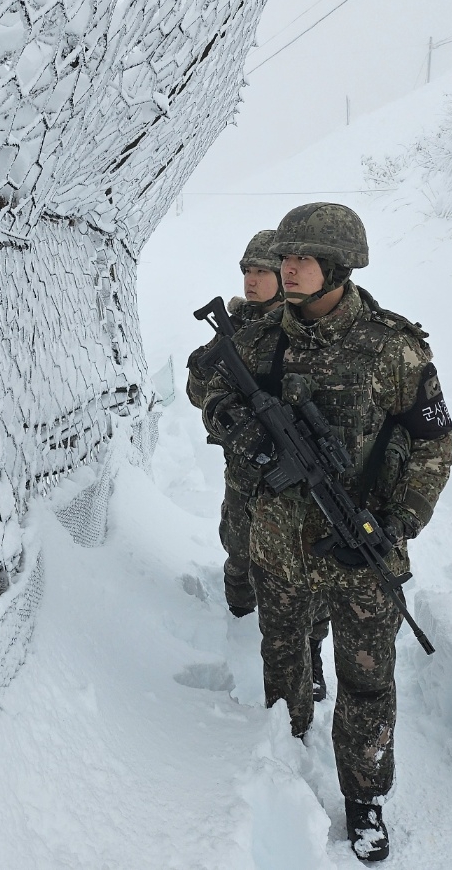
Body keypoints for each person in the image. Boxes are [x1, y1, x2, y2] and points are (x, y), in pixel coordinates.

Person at [198, 203, 452, 862]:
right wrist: (236, 420)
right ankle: (282, 766)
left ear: (338, 266)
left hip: (362, 549)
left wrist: (398, 523)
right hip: (280, 547)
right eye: (283, 257)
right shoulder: (259, 337)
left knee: (368, 683)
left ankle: (365, 801)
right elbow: (204, 382)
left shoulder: (392, 347)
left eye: (300, 258)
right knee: (283, 666)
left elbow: (433, 445)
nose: (286, 268)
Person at [186, 229, 282, 618]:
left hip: (287, 469)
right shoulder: (234, 326)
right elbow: (197, 395)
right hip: (244, 465)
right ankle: (238, 617)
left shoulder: (298, 329)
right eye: (248, 270)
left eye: (262, 271)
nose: (251, 280)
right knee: (239, 544)